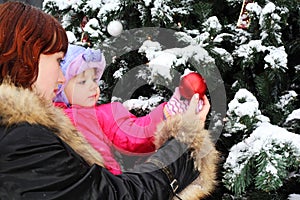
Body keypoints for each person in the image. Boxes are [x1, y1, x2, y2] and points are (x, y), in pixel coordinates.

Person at [0, 2, 216, 199]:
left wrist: (170, 116)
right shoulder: (22, 139)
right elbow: (118, 195)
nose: (61, 78)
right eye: (58, 60)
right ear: (26, 56)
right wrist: (185, 143)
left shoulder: (22, 135)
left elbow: (134, 134)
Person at [54, 44, 204, 175]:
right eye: (82, 82)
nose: (93, 86)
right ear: (60, 87)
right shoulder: (47, 120)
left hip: (109, 185)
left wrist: (167, 114)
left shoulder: (103, 115)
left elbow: (135, 134)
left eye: (94, 79)